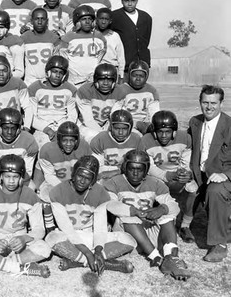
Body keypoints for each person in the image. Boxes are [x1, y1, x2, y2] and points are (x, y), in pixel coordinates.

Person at [104, 150, 191, 281]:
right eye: (131, 168)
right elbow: (110, 205)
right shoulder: (114, 182)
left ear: (146, 170)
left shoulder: (156, 183)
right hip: (126, 233)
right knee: (129, 217)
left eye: (139, 169)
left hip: (147, 232)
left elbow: (174, 206)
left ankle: (170, 257)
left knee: (167, 215)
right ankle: (155, 256)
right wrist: (134, 211)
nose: (135, 173)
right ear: (125, 168)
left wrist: (162, 209)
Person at [46, 156, 135, 275]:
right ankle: (107, 264)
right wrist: (88, 253)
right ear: (73, 173)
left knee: (129, 240)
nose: (82, 181)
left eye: (87, 178)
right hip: (69, 237)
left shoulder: (100, 193)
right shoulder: (57, 192)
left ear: (93, 180)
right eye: (79, 176)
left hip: (90, 235)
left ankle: (77, 262)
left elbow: (100, 228)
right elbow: (67, 229)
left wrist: (98, 250)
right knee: (51, 238)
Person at [0, 154, 51, 278]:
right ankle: (19, 267)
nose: (11, 181)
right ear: (0, 176)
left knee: (44, 249)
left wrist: (24, 238)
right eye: (7, 176)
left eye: (15, 177)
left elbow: (39, 229)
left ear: (22, 178)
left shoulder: (30, 195)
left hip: (20, 240)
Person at [138, 110, 197, 243]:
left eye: (168, 131)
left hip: (177, 172)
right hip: (156, 175)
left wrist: (185, 173)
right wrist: (166, 175)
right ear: (154, 132)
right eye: (160, 131)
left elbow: (187, 161)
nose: (164, 135)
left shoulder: (185, 138)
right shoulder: (146, 141)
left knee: (194, 189)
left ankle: (185, 225)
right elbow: (149, 167)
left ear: (174, 132)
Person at [187, 85, 231, 262]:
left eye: (214, 103)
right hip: (201, 175)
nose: (209, 107)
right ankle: (183, 225)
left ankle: (219, 244)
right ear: (200, 102)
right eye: (205, 102)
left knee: (215, 190)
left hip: (223, 177)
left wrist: (226, 174)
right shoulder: (195, 122)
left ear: (221, 103)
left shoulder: (229, 126)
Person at [36, 122, 92, 230]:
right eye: (65, 140)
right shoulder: (47, 150)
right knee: (46, 193)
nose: (68, 144)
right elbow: (49, 175)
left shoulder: (84, 146)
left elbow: (88, 170)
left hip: (79, 182)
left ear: (77, 140)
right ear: (59, 139)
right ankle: (49, 225)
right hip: (57, 182)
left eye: (72, 140)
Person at [28, 55, 77, 148]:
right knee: (42, 144)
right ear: (48, 71)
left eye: (61, 73)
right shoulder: (34, 88)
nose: (57, 75)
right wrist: (46, 129)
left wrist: (62, 129)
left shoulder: (70, 89)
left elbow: (72, 115)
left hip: (63, 125)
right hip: (42, 127)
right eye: (55, 71)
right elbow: (31, 116)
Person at [0, 108, 38, 187]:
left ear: (19, 129)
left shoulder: (29, 140)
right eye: (5, 128)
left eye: (13, 128)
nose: (9, 132)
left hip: (19, 177)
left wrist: (17, 180)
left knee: (31, 187)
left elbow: (28, 170)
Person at [57, 5, 107, 87]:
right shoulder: (68, 38)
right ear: (77, 22)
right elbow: (63, 59)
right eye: (84, 19)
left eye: (90, 19)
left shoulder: (99, 37)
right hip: (74, 80)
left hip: (93, 79)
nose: (87, 22)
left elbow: (101, 57)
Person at [0, 55, 32, 132]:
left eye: (4, 70)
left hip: (16, 125)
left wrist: (26, 127)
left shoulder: (18, 84)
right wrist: (2, 129)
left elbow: (28, 107)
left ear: (9, 71)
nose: (1, 74)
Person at [76, 63, 123, 142]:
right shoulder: (85, 90)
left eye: (109, 80)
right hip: (85, 125)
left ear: (114, 81)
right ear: (95, 80)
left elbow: (114, 117)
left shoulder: (119, 92)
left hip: (105, 124)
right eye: (102, 79)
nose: (105, 83)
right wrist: (103, 134)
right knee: (92, 137)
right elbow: (88, 120)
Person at [110, 0, 152, 76]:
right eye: (126, 1)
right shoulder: (114, 17)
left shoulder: (146, 17)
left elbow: (146, 40)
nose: (129, 4)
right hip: (124, 66)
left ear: (137, 0)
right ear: (122, 1)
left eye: (132, 1)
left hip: (142, 65)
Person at [90, 110, 141, 183]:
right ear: (111, 127)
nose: (120, 132)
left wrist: (118, 172)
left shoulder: (137, 139)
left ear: (130, 128)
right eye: (117, 128)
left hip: (129, 173)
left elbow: (140, 166)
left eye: (124, 129)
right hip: (106, 172)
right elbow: (97, 167)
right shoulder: (100, 139)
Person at [112, 59, 160, 135]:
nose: (138, 78)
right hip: (125, 122)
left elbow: (154, 113)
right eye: (135, 75)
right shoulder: (121, 89)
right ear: (129, 75)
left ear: (146, 76)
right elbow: (115, 112)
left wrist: (153, 125)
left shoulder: (151, 91)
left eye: (141, 76)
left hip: (144, 122)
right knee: (138, 137)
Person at [21, 7, 61, 86]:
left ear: (47, 21)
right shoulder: (24, 37)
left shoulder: (54, 38)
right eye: (37, 19)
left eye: (42, 19)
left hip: (47, 80)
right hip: (29, 80)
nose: (39, 22)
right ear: (32, 21)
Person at [95, 8, 125, 82]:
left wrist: (121, 75)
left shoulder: (115, 36)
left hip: (112, 70)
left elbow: (121, 57)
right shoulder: (91, 35)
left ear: (110, 21)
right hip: (96, 70)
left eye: (106, 19)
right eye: (101, 18)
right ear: (96, 20)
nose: (103, 22)